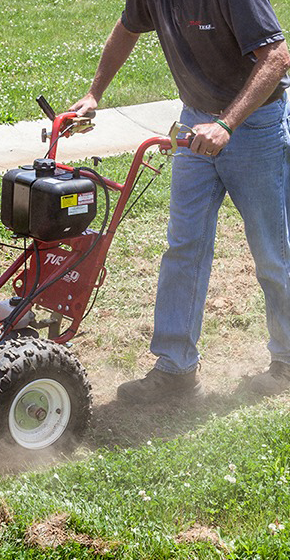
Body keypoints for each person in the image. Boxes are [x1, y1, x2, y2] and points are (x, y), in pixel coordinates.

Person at [69, 0, 290, 402]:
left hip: (254, 126)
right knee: (184, 245)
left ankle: (288, 361)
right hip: (193, 124)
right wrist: (94, 93)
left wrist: (227, 124)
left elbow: (277, 57)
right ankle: (176, 368)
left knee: (272, 251)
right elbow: (127, 27)